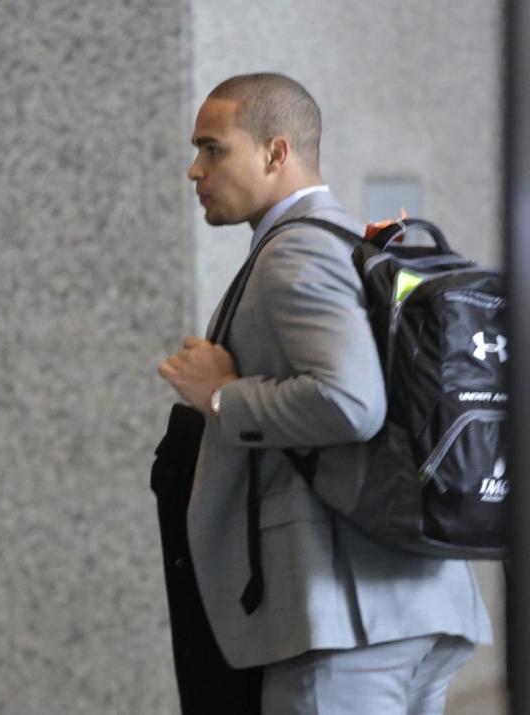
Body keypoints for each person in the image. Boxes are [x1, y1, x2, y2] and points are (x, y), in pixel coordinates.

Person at [158, 73, 491, 715]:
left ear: (275, 153)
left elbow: (350, 401)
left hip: (347, 621)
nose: (194, 170)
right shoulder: (351, 243)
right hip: (414, 601)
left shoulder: (297, 252)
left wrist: (224, 396)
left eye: (212, 149)